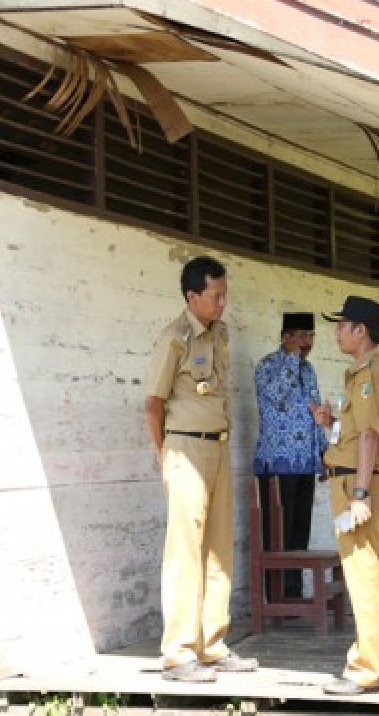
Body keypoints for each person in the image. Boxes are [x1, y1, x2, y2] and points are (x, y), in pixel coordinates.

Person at [144, 256, 257, 683]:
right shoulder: (173, 338)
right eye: (216, 296)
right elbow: (153, 405)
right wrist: (164, 456)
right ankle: (177, 653)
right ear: (192, 296)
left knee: (217, 550)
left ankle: (212, 645)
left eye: (225, 294)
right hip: (185, 449)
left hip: (218, 449)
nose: (223, 303)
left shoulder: (221, 334)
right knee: (184, 553)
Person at [311, 296, 379, 695]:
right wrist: (331, 423)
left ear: (360, 330)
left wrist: (360, 494)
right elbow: (355, 433)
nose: (336, 331)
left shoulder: (368, 375)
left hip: (358, 485)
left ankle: (366, 667)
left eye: (342, 325)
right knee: (375, 578)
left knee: (362, 578)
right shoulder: (367, 373)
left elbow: (369, 436)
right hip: (367, 482)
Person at [253, 312, 327, 599]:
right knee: (277, 531)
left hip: (305, 463)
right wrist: (292, 359)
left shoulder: (309, 371)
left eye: (311, 337)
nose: (307, 343)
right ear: (286, 337)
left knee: (299, 532)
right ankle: (275, 595)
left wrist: (322, 453)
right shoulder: (267, 366)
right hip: (276, 462)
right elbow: (277, 395)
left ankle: (293, 593)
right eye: (301, 336)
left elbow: (316, 411)